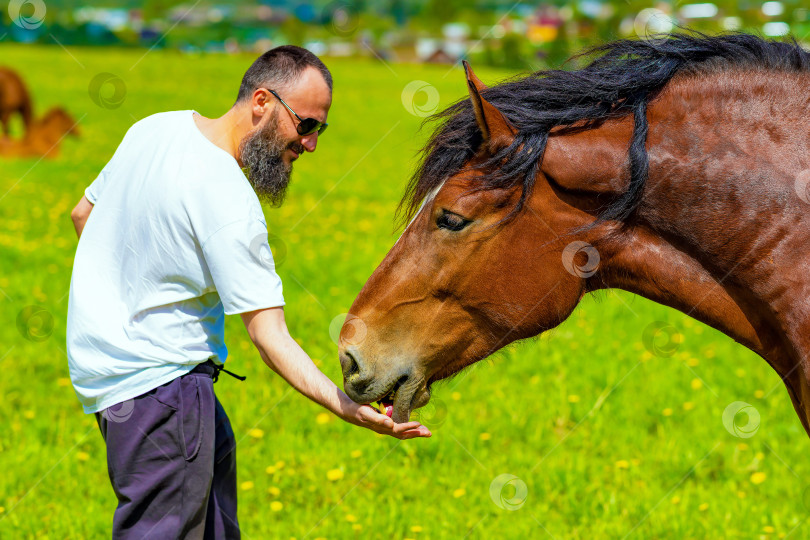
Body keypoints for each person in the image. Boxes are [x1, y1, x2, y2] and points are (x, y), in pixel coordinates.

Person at [67, 45, 431, 540]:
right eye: (306, 125)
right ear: (262, 101)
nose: (310, 145)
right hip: (163, 390)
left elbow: (83, 215)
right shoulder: (229, 200)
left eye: (320, 129)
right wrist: (350, 409)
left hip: (119, 380)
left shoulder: (156, 127)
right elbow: (270, 338)